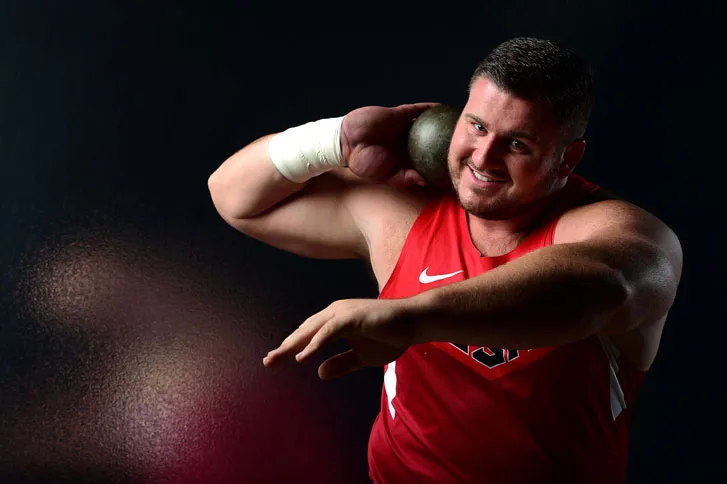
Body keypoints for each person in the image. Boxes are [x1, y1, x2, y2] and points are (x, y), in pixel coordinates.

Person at [207, 37, 683, 483]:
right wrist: (336, 141)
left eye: (518, 144)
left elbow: (604, 287)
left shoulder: (622, 234)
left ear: (566, 158)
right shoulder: (406, 214)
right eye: (477, 125)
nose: (484, 157)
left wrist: (412, 316)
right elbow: (233, 197)